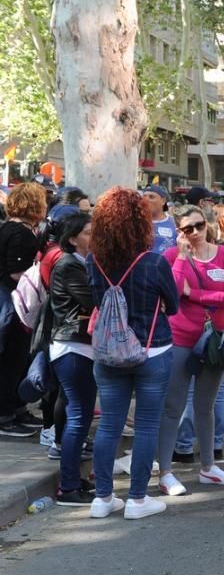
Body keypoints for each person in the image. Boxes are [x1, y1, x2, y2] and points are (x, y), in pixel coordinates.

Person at [87, 187, 179, 520]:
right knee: (146, 425)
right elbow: (174, 305)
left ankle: (102, 498)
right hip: (153, 351)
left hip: (109, 352)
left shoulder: (92, 262)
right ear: (141, 222)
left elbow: (95, 302)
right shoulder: (153, 261)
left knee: (109, 425)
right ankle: (138, 500)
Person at [155, 206, 224, 496]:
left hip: (215, 339)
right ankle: (165, 472)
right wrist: (180, 257)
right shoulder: (172, 256)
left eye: (198, 226)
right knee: (173, 405)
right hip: (180, 337)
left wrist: (197, 295)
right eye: (186, 229)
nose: (194, 233)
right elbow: (175, 292)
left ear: (208, 224)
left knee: (206, 404)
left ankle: (208, 466)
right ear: (179, 232)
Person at [49, 212, 98, 506]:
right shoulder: (69, 265)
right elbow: (94, 302)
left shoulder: (80, 263)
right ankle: (67, 487)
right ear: (72, 238)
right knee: (79, 419)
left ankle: (73, 480)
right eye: (90, 233)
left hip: (80, 348)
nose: (95, 237)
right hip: (72, 349)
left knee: (76, 418)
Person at [0, 182, 47, 437]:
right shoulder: (22, 234)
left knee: (15, 358)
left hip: (11, 301)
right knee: (13, 358)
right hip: (16, 303)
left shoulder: (9, 228)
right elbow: (17, 273)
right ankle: (7, 413)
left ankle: (15, 409)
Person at [142, 185, 176, 255]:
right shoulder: (136, 223)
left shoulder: (175, 224)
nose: (146, 200)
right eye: (144, 197)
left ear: (163, 201)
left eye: (151, 197)